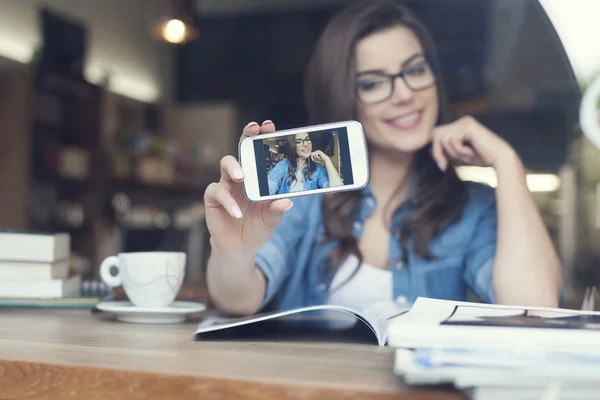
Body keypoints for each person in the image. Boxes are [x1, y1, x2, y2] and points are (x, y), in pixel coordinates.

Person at [204, 0, 563, 316]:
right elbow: (238, 300)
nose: (405, 94)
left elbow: (536, 309)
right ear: (345, 98)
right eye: (373, 83)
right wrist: (234, 250)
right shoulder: (304, 196)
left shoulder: (471, 207)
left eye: (416, 70)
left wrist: (508, 163)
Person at [266, 132, 343, 195]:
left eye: (307, 139)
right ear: (293, 146)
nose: (306, 144)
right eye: (299, 141)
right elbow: (269, 188)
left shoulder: (318, 169)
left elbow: (337, 193)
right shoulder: (283, 166)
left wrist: (327, 159)